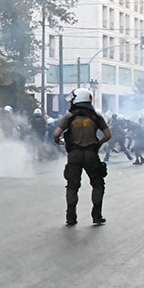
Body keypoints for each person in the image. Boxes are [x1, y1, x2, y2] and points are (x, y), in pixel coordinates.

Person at [53, 88, 111, 226]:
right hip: (91, 154)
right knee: (98, 184)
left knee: (72, 186)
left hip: (74, 155)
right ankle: (97, 215)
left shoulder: (69, 116)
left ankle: (71, 217)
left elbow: (56, 134)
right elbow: (108, 135)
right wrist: (97, 144)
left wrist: (60, 142)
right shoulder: (96, 116)